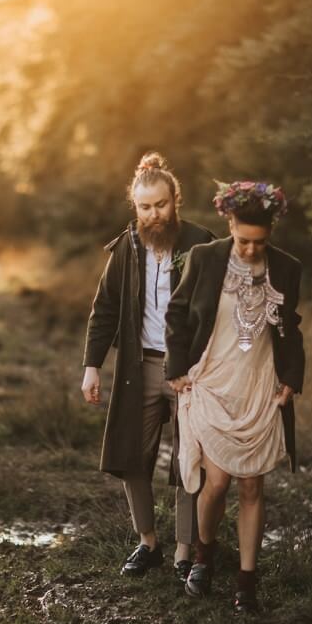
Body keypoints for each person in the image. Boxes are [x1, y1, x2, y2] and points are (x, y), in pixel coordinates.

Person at [165, 180, 305, 612]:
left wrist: (292, 377)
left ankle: (247, 581)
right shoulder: (206, 259)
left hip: (258, 383)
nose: (250, 249)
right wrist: (176, 370)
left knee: (251, 486)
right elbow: (177, 311)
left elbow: (291, 326)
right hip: (212, 379)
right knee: (217, 482)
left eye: (259, 242)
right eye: (243, 240)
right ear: (229, 224)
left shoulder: (286, 268)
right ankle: (204, 555)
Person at [81, 152, 216, 579]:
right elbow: (104, 308)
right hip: (138, 369)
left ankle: (183, 550)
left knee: (189, 461)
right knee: (131, 456)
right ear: (134, 208)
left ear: (175, 200)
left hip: (189, 373)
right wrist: (92, 366)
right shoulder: (127, 247)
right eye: (144, 207)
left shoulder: (201, 242)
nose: (154, 215)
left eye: (161, 205)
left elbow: (218, 312)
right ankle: (148, 543)